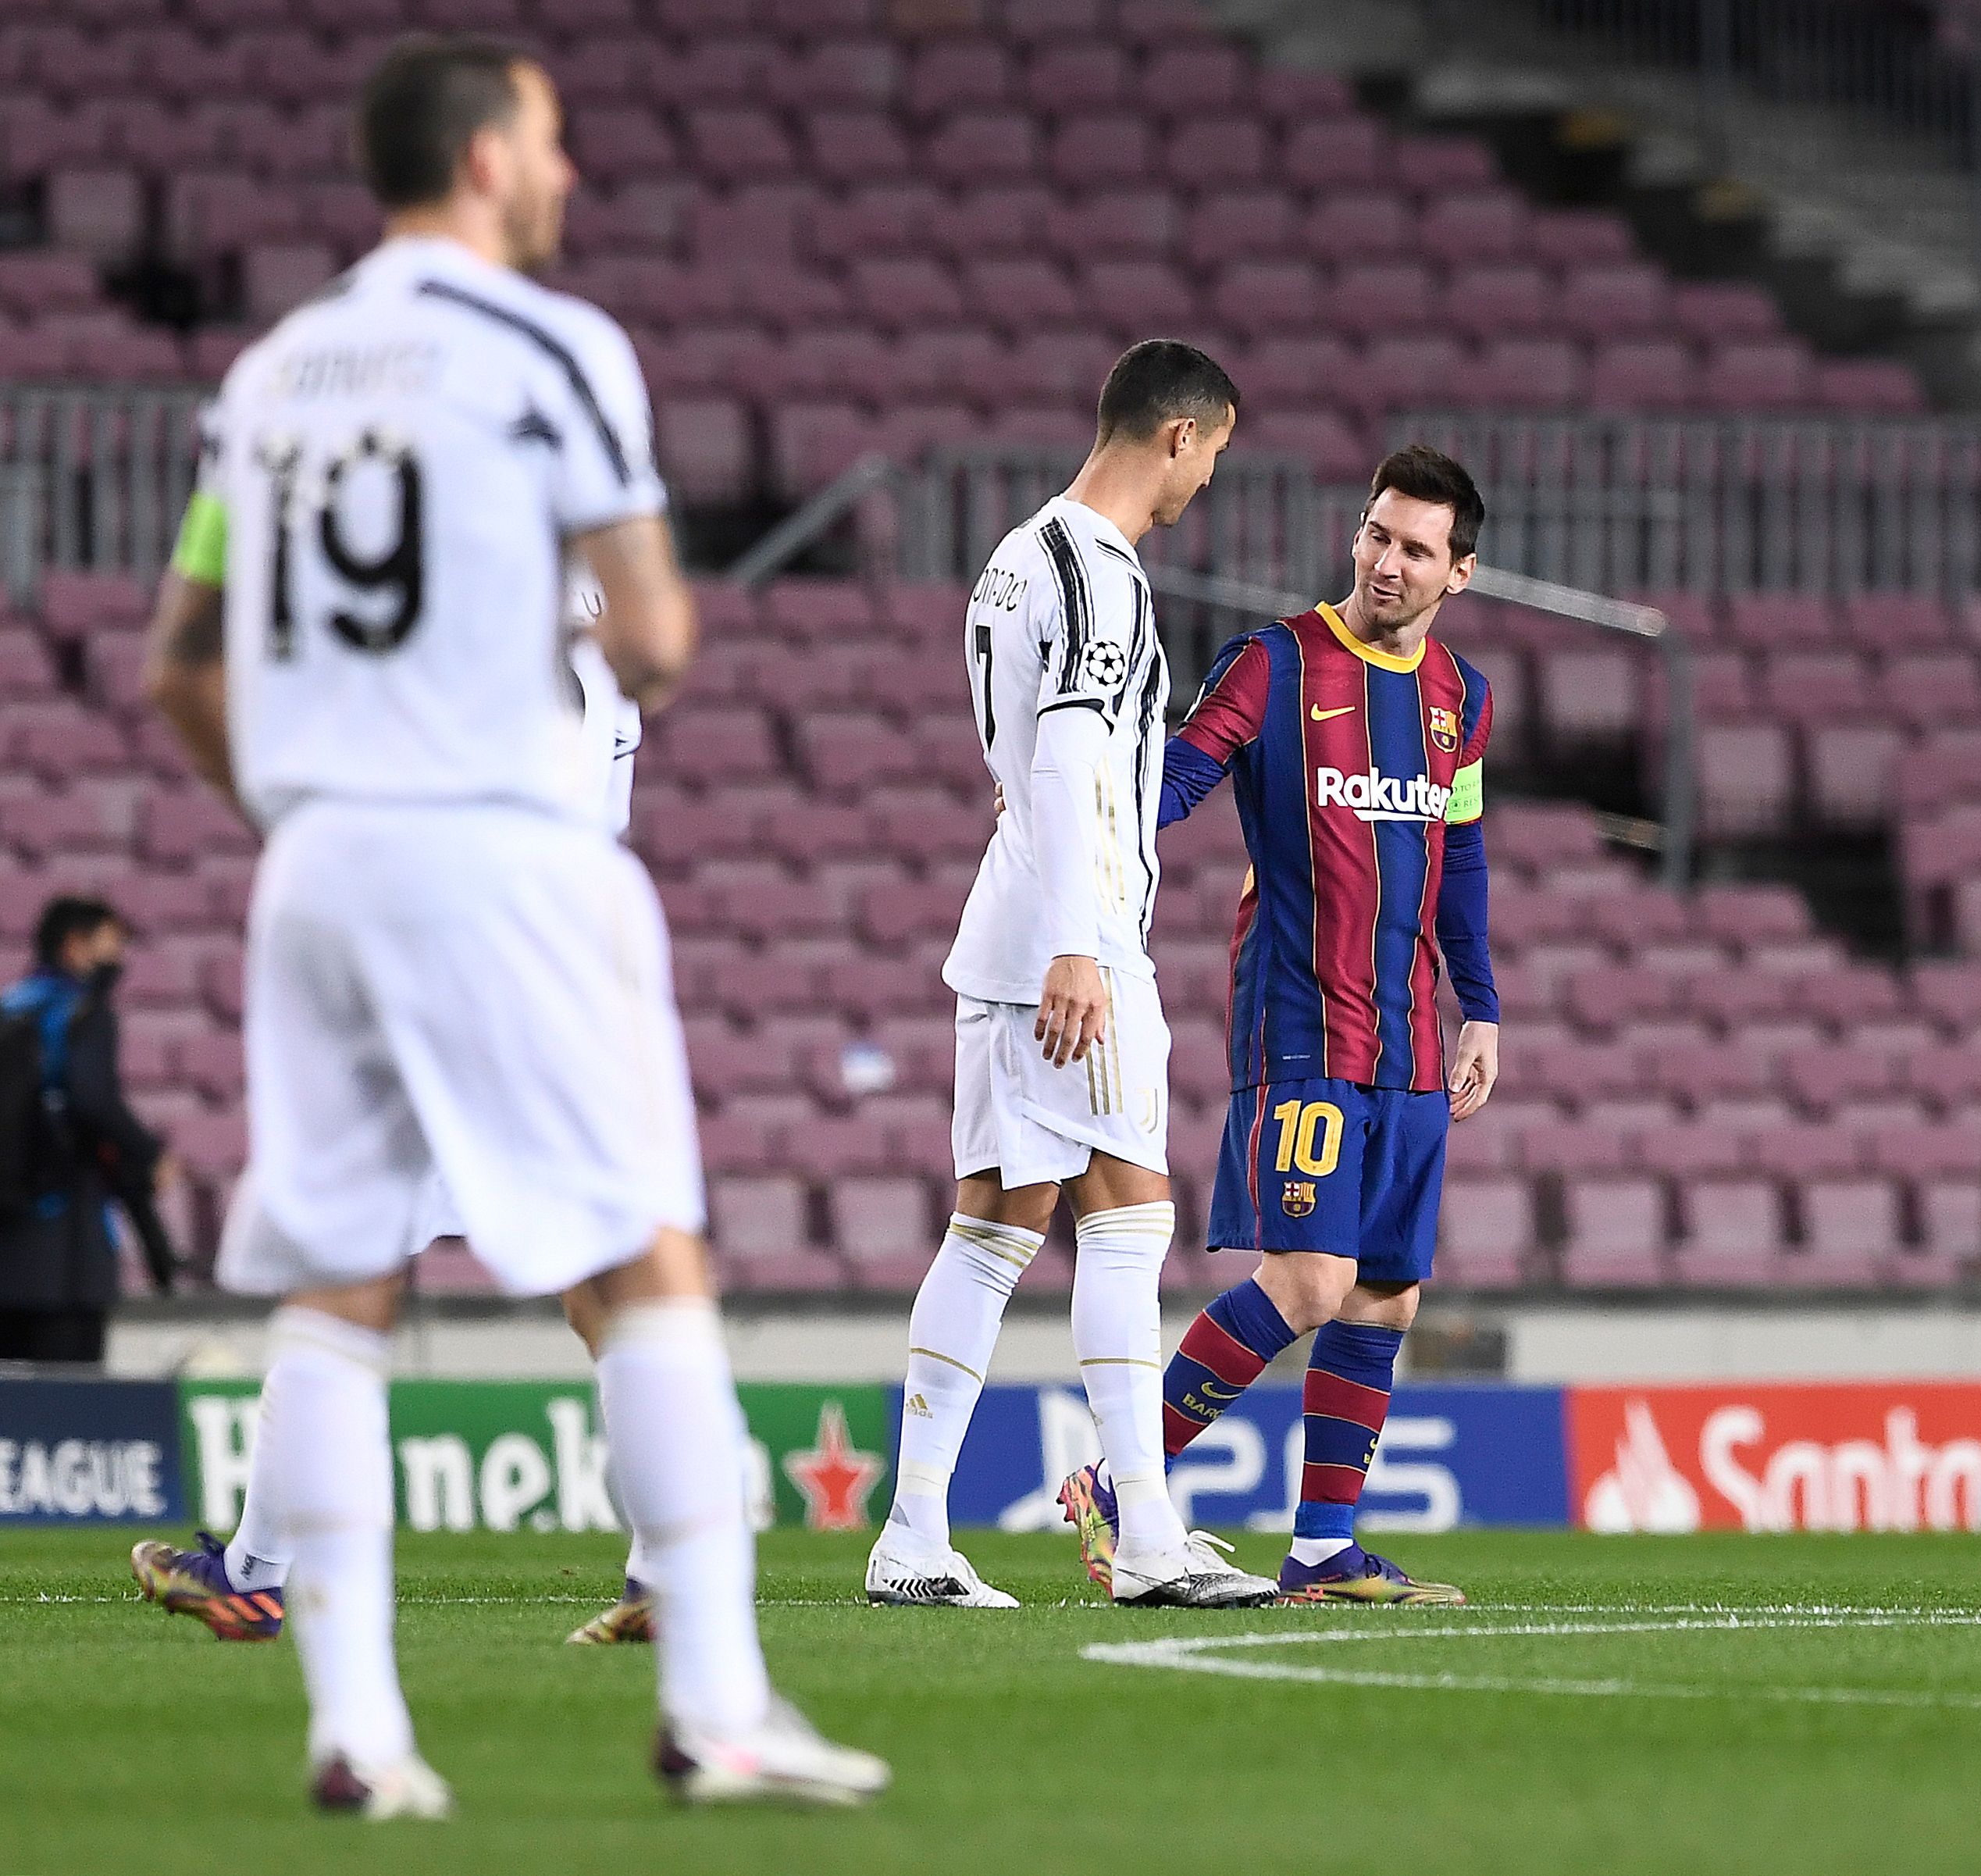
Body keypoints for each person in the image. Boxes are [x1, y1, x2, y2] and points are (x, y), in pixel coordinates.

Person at [127, 36, 883, 1814]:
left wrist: (307, 811)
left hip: (315, 864)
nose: (568, 172)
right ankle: (717, 1707)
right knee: (648, 1259)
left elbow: (176, 662)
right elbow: (659, 636)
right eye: (549, 140)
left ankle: (357, 1736)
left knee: (338, 1287)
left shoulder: (271, 370)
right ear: (482, 157)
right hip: (494, 846)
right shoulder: (555, 349)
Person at [129, 594, 663, 1650]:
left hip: (453, 964)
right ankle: (668, 1566)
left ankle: (255, 1576)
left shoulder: (465, 596)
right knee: (606, 1284)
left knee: (342, 1269)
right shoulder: (600, 617)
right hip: (569, 966)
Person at [861, 339, 1273, 1613]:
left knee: (993, 1227)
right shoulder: (1100, 570)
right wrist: (1079, 944)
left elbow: (1025, 756)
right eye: (1213, 451)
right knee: (1129, 1218)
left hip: (1017, 927)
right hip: (1067, 939)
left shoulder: (1013, 557)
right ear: (1176, 434)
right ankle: (1143, 1528)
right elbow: (1059, 753)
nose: (1207, 478)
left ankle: (913, 1531)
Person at [1054, 444, 1502, 1605]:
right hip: (1300, 1026)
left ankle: (1321, 1549)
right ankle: (1116, 1484)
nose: (1387, 562)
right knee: (1307, 1278)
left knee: (1385, 1291)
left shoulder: (1461, 697)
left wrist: (1481, 1005)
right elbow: (1173, 782)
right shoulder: (1274, 663)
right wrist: (1078, 829)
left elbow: (1459, 855)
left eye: (1415, 549)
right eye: (1376, 534)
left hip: (1411, 1037)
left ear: (1459, 571)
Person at [0, 897, 173, 1364]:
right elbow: (93, 1099)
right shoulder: (84, 1012)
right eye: (111, 944)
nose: (119, 957)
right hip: (68, 1253)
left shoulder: (10, 1008)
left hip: (9, 1246)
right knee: (73, 1394)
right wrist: (150, 1153)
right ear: (76, 947)